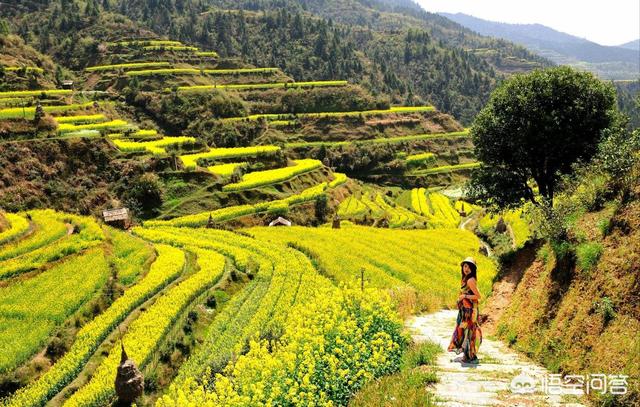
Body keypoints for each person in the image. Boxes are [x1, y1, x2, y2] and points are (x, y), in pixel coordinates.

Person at [447, 257, 483, 364]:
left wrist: (465, 296)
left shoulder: (470, 280)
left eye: (469, 267)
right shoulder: (465, 279)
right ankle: (467, 355)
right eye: (465, 266)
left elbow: (478, 296)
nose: (466, 269)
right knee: (464, 330)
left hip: (470, 312)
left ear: (473, 269)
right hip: (465, 311)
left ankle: (470, 355)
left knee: (469, 331)